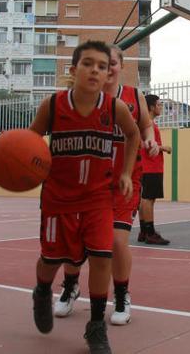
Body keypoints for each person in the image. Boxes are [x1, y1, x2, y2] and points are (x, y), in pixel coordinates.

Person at [29, 40, 140, 354]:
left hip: (97, 198)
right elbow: (29, 139)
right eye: (88, 63)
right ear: (73, 69)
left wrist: (126, 172)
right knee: (52, 259)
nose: (95, 70)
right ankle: (41, 291)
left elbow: (132, 134)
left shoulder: (114, 107)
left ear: (108, 74)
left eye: (102, 66)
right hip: (58, 198)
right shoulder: (51, 106)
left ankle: (95, 328)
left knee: (102, 256)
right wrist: (7, 153)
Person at [53, 47, 156, 327]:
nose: (107, 69)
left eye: (111, 64)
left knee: (115, 241)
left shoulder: (133, 96)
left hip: (124, 180)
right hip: (87, 181)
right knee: (73, 239)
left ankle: (122, 295)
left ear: (121, 66)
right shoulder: (82, 98)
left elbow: (145, 127)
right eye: (101, 64)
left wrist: (150, 140)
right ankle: (70, 285)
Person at [138, 94, 171, 245]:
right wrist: (165, 147)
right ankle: (149, 232)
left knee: (146, 198)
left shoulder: (147, 124)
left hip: (149, 166)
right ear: (151, 107)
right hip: (151, 166)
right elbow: (150, 145)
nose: (160, 107)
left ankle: (144, 230)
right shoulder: (148, 124)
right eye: (158, 105)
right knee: (148, 199)